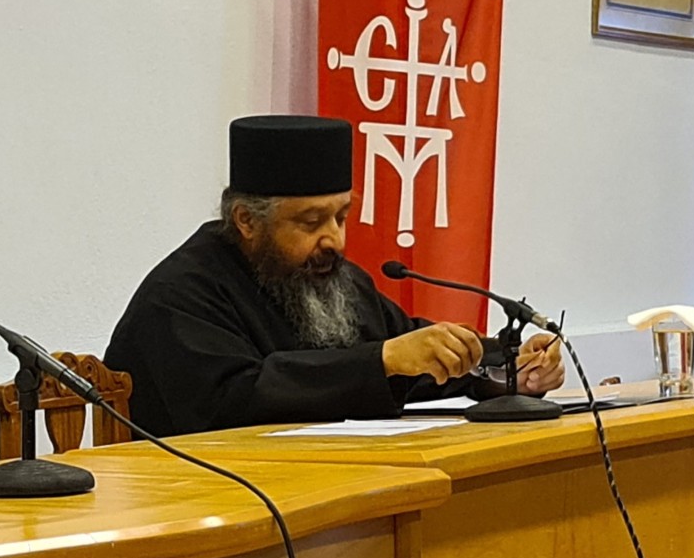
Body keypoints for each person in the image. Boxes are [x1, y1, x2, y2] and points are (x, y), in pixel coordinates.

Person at [105, 115, 564, 437]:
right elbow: (234, 399)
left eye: (341, 217)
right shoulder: (180, 295)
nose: (335, 240)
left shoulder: (333, 280)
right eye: (311, 222)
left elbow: (408, 358)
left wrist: (505, 369)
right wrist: (385, 359)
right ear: (246, 221)